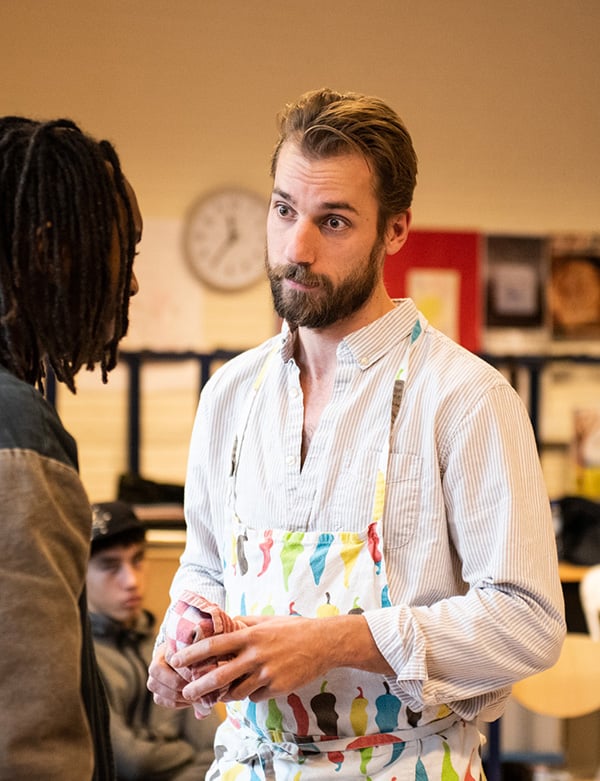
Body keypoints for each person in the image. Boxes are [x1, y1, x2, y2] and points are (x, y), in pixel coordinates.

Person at [147, 88, 566, 780]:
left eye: (334, 221)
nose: (297, 249)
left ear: (395, 230)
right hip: (250, 763)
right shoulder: (231, 394)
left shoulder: (466, 397)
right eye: (284, 210)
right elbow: (207, 567)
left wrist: (336, 641)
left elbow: (528, 622)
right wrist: (183, 637)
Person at [0, 117, 142, 780]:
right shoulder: (17, 429)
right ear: (49, 249)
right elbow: (28, 737)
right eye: (120, 252)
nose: (130, 284)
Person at [87, 501, 221, 780]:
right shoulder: (79, 658)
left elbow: (213, 748)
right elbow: (132, 762)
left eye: (137, 560)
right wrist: (185, 752)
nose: (131, 581)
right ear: (80, 574)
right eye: (110, 566)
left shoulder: (167, 644)